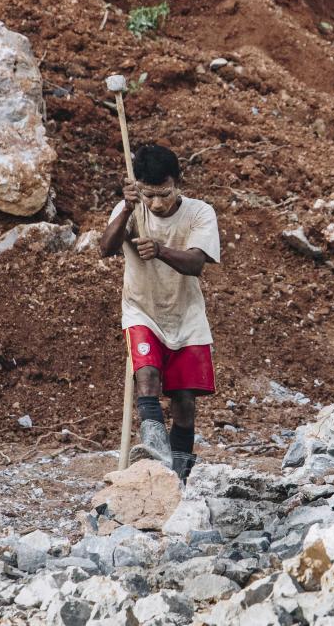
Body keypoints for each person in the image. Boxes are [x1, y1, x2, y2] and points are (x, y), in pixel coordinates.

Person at [99, 144, 220, 483]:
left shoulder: (200, 213)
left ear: (178, 183)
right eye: (148, 195)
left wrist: (160, 250)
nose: (156, 203)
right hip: (141, 309)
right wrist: (126, 206)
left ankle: (178, 475)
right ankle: (156, 456)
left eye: (164, 194)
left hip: (186, 314)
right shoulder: (132, 209)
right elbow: (105, 248)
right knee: (147, 377)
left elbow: (197, 263)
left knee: (184, 400)